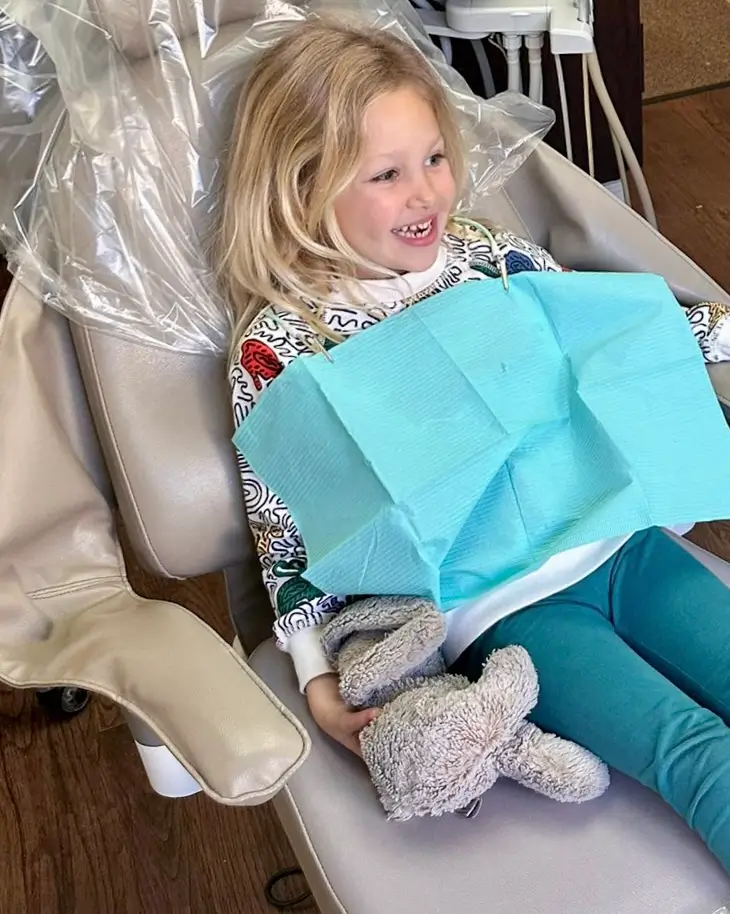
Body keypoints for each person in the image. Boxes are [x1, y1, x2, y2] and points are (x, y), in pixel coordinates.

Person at [216, 18, 730, 871]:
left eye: (434, 158)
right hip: (503, 612)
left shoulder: (487, 260)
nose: (426, 193)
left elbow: (614, 334)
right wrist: (319, 687)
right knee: (693, 751)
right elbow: (288, 536)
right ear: (301, 186)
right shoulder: (283, 349)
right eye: (386, 174)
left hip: (622, 544)